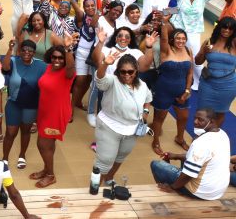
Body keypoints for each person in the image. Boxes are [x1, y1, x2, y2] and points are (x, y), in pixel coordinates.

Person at [92, 51, 152, 185]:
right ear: (118, 71)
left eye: (130, 72)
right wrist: (105, 64)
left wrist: (146, 112)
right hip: (109, 126)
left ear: (136, 71)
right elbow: (99, 79)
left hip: (131, 130)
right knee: (105, 160)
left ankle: (109, 178)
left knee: (121, 156)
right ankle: (95, 187)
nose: (126, 75)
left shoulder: (142, 85)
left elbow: (148, 98)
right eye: (122, 71)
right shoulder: (112, 81)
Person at [150, 108, 231, 200]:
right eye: (195, 118)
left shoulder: (201, 143)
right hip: (218, 191)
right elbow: (202, 159)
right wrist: (176, 156)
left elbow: (189, 174)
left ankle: (167, 193)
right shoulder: (222, 134)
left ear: (212, 122)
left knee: (156, 164)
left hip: (200, 192)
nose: (195, 122)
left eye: (200, 120)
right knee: (187, 160)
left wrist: (172, 187)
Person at [29, 42, 75, 188]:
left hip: (57, 113)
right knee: (49, 144)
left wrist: (68, 49)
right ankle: (46, 169)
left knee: (42, 144)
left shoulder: (68, 73)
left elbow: (70, 66)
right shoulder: (48, 68)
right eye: (54, 57)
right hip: (44, 111)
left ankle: (50, 175)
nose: (57, 61)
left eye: (61, 58)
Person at [1, 39, 48, 169]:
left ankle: (22, 155)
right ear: (20, 51)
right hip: (13, 103)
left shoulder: (41, 66)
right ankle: (5, 158)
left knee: (25, 131)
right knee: (10, 132)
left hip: (31, 105)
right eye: (24, 50)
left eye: (30, 50)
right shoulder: (13, 60)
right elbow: (5, 67)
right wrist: (10, 49)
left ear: (34, 53)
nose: (27, 52)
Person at [150, 19, 193, 155]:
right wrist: (164, 23)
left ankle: (180, 138)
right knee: (159, 118)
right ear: (172, 40)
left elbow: (190, 72)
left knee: (184, 116)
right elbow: (163, 39)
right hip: (164, 89)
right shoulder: (166, 50)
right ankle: (155, 141)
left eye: (183, 38)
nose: (180, 41)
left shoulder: (188, 50)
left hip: (182, 91)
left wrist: (187, 90)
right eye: (177, 38)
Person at [195, 18, 236, 127]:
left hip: (227, 86)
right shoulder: (209, 41)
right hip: (208, 83)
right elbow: (197, 61)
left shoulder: (234, 43)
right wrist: (204, 51)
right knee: (202, 113)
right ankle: (200, 137)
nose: (227, 30)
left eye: (231, 28)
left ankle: (213, 137)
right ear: (219, 27)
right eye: (225, 27)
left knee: (220, 113)